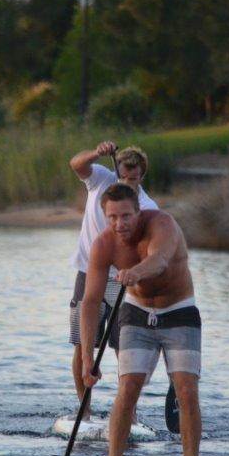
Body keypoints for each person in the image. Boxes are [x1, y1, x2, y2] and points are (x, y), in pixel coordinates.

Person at [80, 183, 202, 456]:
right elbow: (91, 302)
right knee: (128, 387)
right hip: (135, 313)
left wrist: (135, 272)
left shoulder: (163, 224)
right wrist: (87, 357)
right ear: (105, 216)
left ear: (138, 211)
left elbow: (159, 260)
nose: (119, 224)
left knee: (186, 390)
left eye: (126, 216)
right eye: (112, 217)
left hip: (179, 311)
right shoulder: (104, 244)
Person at [68, 142, 157, 419]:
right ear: (116, 172)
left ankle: (126, 413)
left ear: (142, 176)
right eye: (123, 177)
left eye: (133, 178)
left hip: (122, 280)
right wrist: (95, 152)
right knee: (84, 344)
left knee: (125, 348)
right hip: (87, 272)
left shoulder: (147, 206)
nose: (127, 183)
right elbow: (76, 164)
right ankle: (85, 412)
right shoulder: (101, 180)